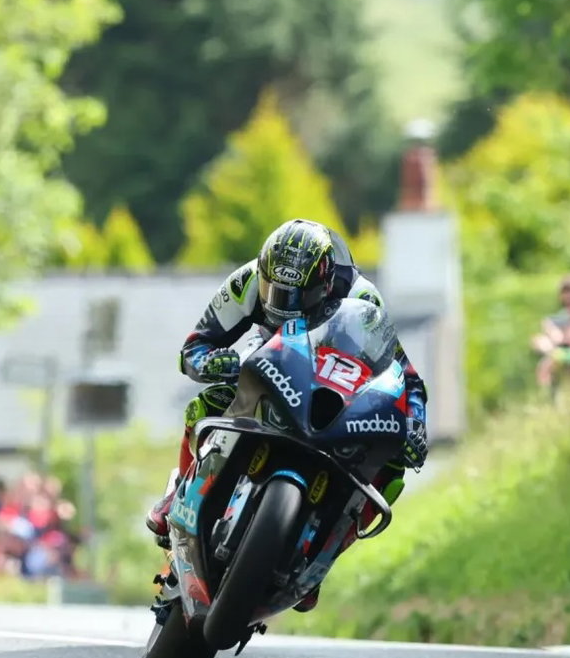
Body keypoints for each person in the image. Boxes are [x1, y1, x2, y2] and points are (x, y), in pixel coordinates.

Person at [144, 218, 429, 613]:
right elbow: (193, 349)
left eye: (298, 295)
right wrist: (216, 362)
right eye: (275, 291)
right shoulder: (246, 282)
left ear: (326, 284)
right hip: (269, 367)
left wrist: (416, 423)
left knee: (390, 461)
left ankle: (319, 558)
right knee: (206, 404)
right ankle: (179, 494)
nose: (283, 304)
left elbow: (405, 376)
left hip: (332, 388)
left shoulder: (364, 299)